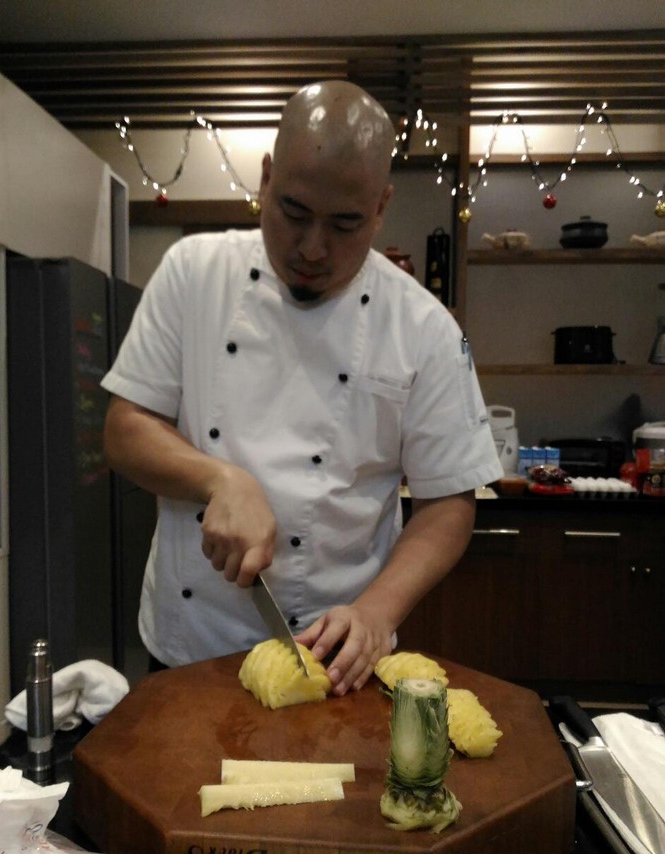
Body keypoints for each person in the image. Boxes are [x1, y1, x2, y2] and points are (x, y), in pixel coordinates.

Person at [101, 80, 503, 697]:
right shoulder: (192, 273)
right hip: (189, 645)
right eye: (294, 212)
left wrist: (377, 613)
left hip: (334, 655)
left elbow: (448, 502)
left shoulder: (424, 327)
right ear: (266, 179)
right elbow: (125, 429)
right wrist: (219, 479)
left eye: (345, 224)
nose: (313, 248)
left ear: (381, 207)